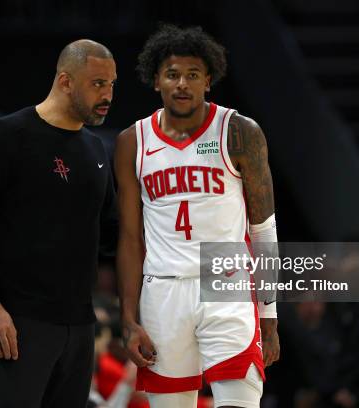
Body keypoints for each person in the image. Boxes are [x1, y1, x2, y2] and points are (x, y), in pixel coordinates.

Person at [0, 39, 118, 408]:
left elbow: (111, 233)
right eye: (97, 83)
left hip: (79, 325)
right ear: (65, 81)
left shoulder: (96, 149)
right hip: (15, 321)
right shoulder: (7, 136)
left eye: (112, 84)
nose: (108, 94)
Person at [115, 25, 280, 408]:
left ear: (209, 80)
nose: (182, 84)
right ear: (156, 81)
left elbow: (263, 228)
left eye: (192, 75)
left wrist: (269, 315)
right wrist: (128, 319)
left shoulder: (239, 132)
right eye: (172, 74)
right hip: (163, 290)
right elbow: (128, 237)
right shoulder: (132, 142)